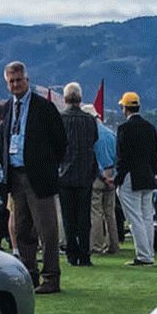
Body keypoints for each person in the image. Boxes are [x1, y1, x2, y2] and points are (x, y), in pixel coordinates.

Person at [0, 61, 67, 293]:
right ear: (7, 83)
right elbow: (3, 140)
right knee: (22, 229)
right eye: (11, 81)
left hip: (39, 177)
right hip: (16, 177)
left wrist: (47, 166)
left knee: (47, 230)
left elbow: (60, 142)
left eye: (19, 80)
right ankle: (29, 274)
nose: (15, 84)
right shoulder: (7, 108)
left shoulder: (44, 107)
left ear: (27, 80)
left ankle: (51, 277)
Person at [114, 90, 157, 266]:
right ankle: (149, 253)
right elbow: (154, 155)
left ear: (125, 108)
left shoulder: (124, 129)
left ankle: (143, 255)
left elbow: (122, 158)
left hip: (130, 177)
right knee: (147, 217)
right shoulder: (151, 128)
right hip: (148, 176)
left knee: (135, 218)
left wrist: (118, 179)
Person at [58, 82, 99, 267]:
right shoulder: (89, 120)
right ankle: (85, 254)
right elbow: (94, 140)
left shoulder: (60, 119)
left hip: (65, 174)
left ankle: (71, 253)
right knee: (84, 217)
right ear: (80, 98)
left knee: (68, 217)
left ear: (65, 98)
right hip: (85, 173)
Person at [90, 113, 120, 256]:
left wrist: (102, 176)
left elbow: (93, 158)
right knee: (110, 212)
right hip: (111, 172)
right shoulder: (111, 134)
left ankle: (97, 245)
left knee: (96, 211)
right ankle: (113, 244)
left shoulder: (92, 135)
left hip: (97, 175)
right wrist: (113, 176)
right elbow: (117, 156)